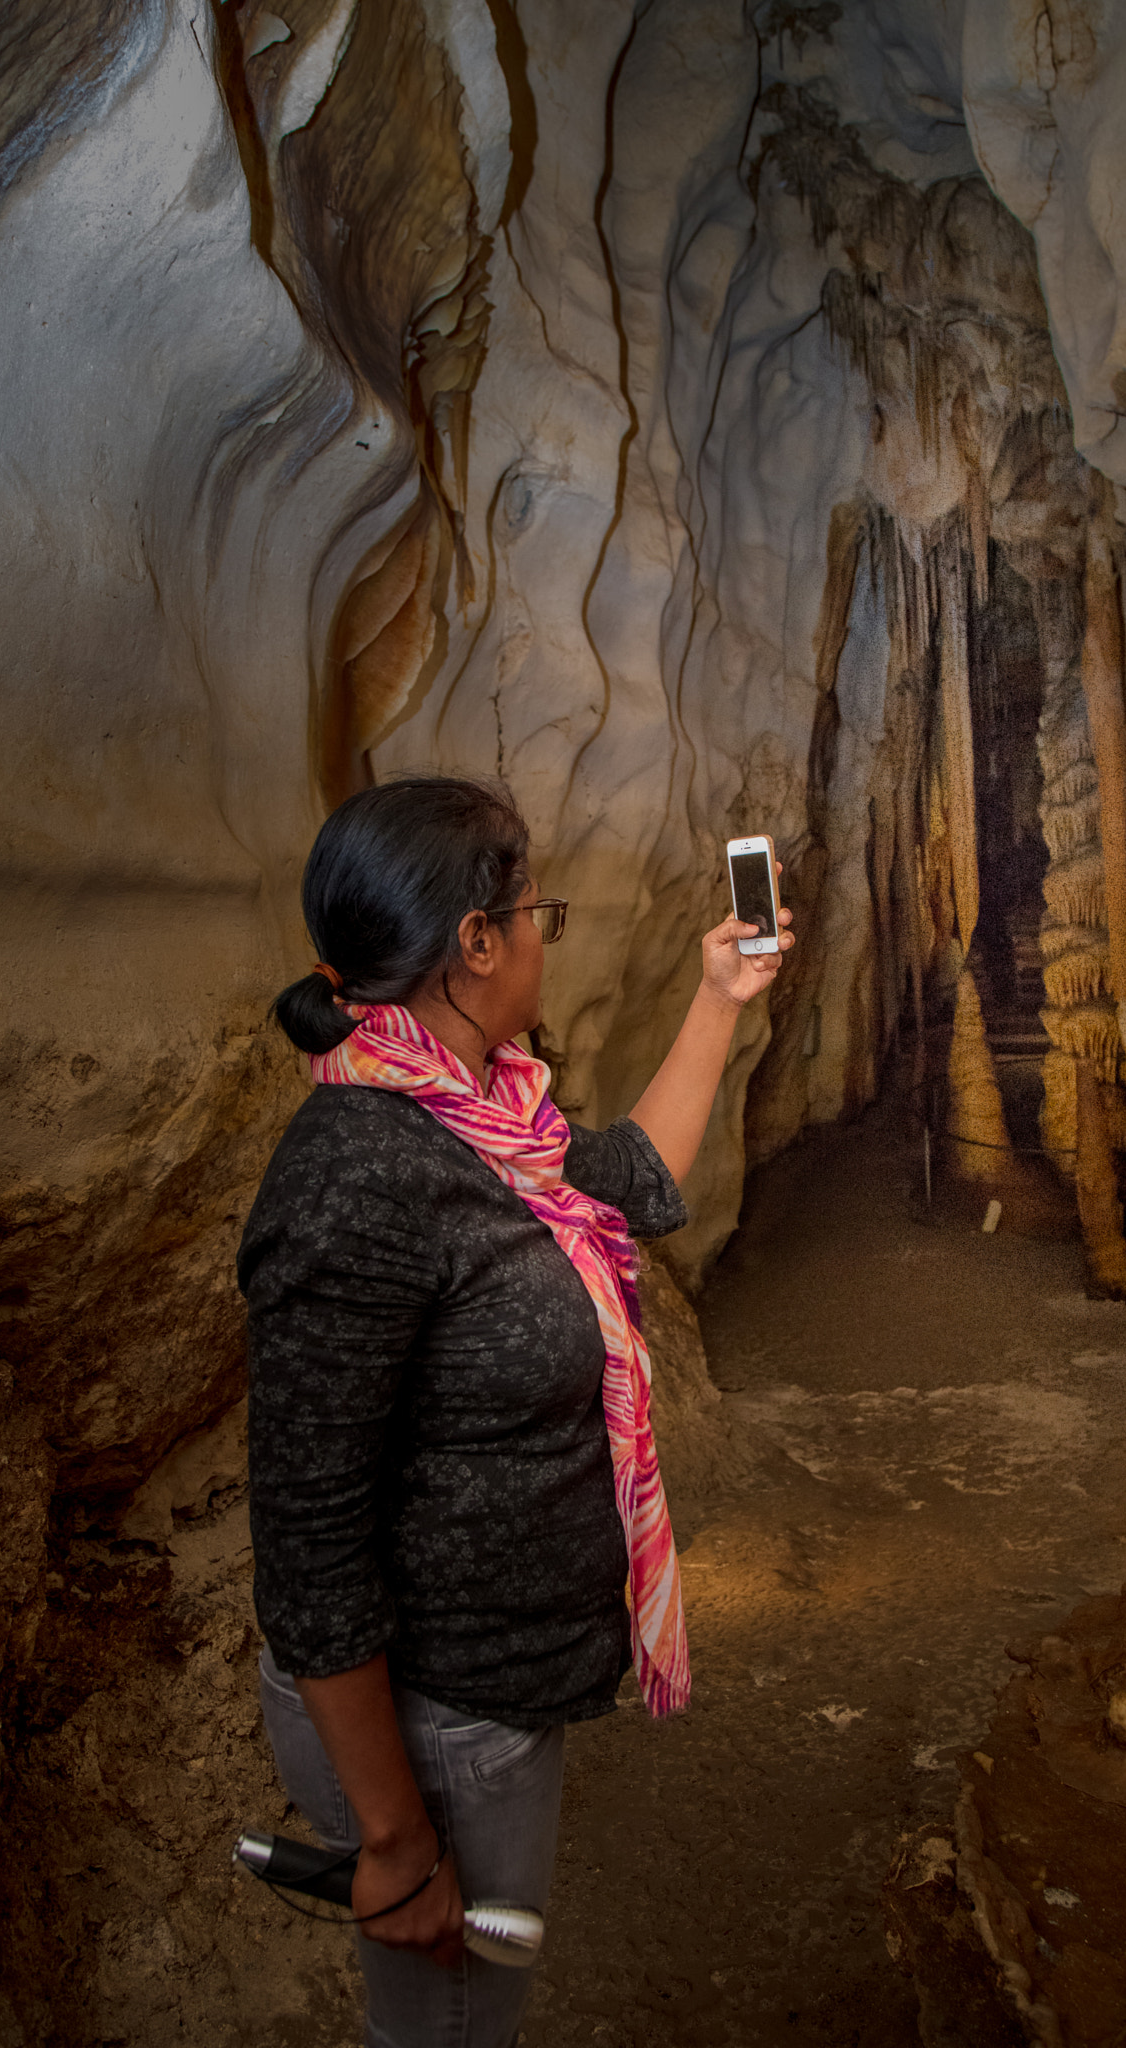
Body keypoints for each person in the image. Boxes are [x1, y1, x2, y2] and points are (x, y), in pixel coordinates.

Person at [238, 776, 793, 2048]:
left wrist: (721, 996)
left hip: (490, 1702)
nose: (548, 933)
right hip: (435, 1719)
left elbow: (632, 1183)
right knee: (442, 2029)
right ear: (477, 941)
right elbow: (310, 1544)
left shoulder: (497, 1120)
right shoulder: (355, 1178)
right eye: (536, 907)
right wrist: (391, 1835)